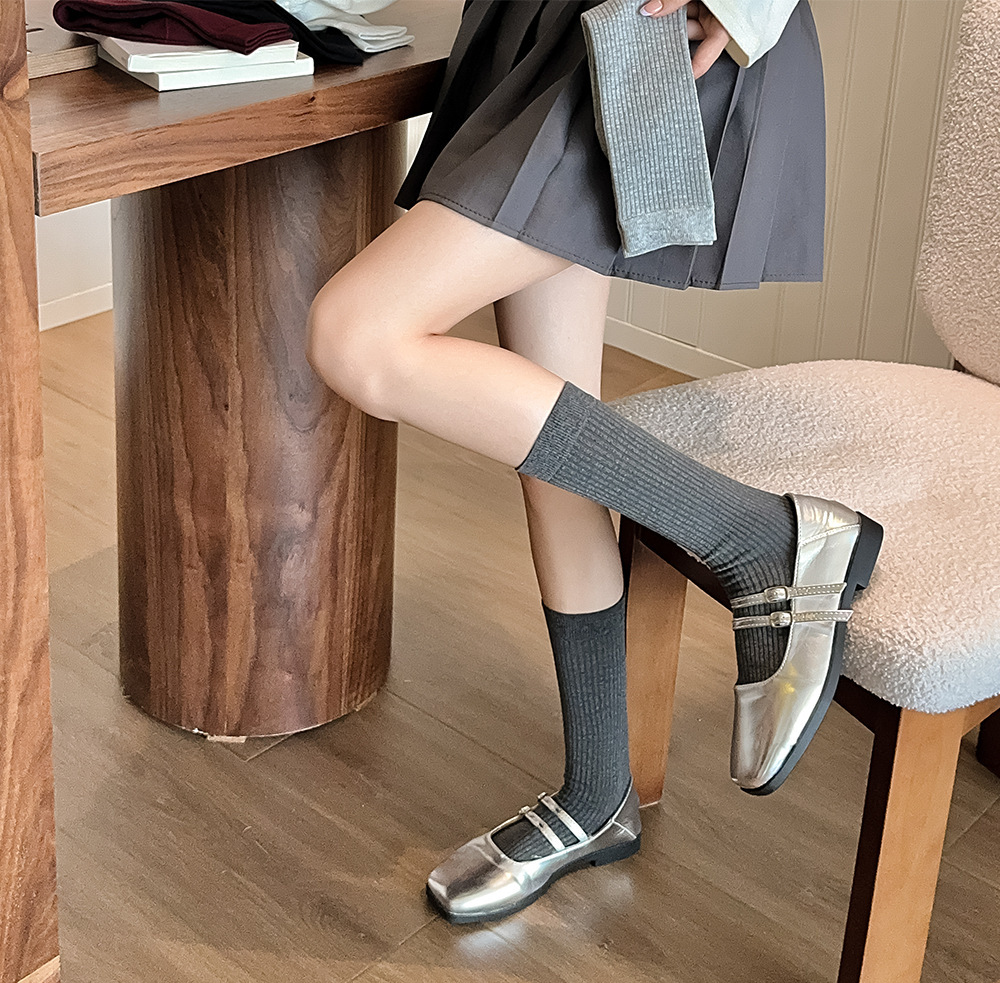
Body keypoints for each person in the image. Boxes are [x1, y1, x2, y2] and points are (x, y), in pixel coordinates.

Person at [305, 0, 884, 925]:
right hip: (544, 32)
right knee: (553, 453)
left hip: (657, 33)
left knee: (357, 335)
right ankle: (598, 795)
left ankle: (762, 539)